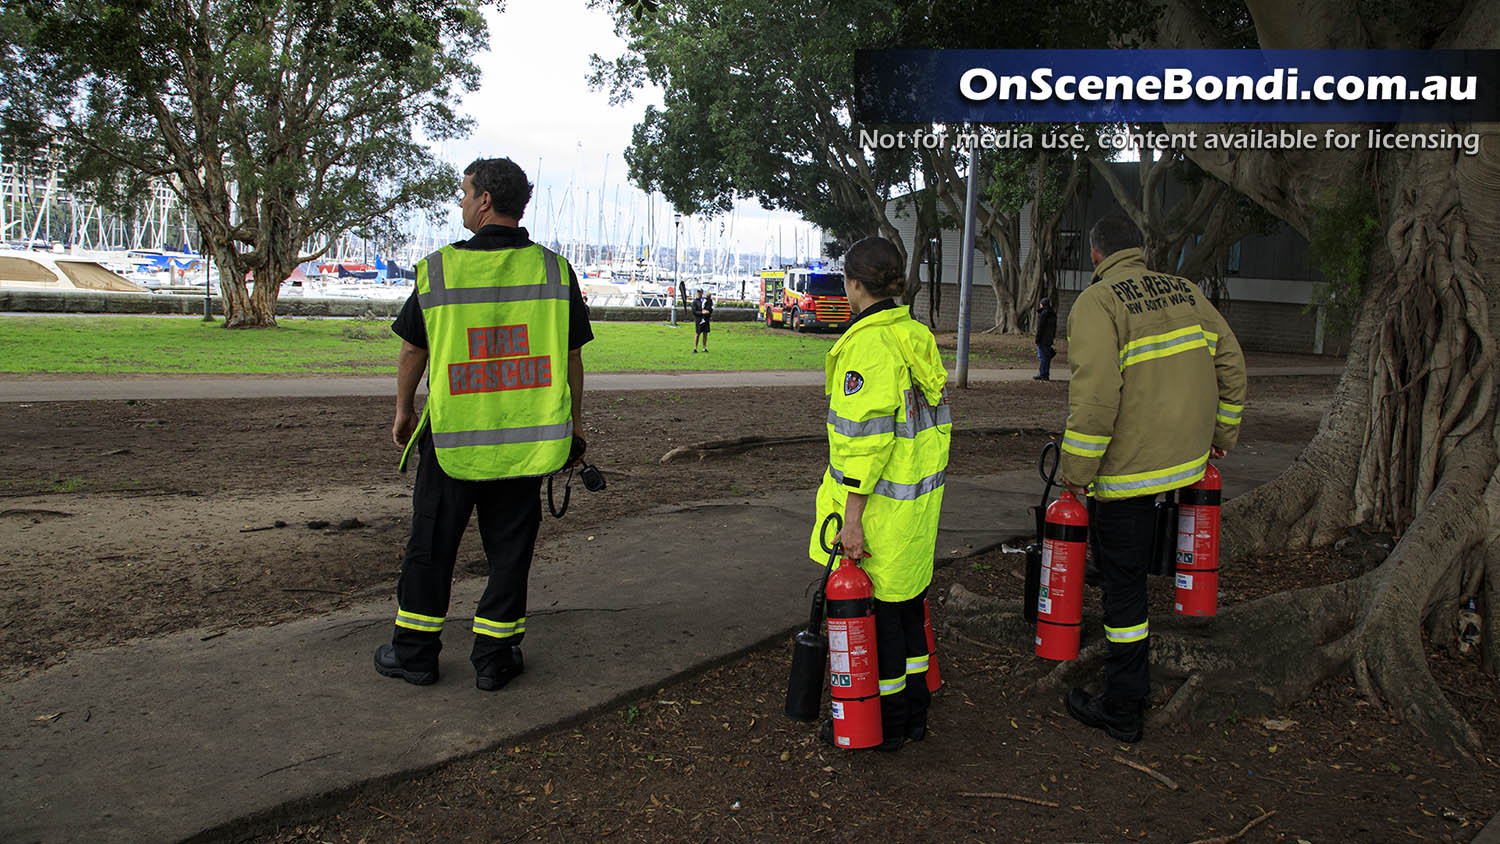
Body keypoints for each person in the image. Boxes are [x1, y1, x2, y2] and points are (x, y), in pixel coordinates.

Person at [376, 157, 594, 691]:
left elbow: (413, 349)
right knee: (510, 553)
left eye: (464, 193)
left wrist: (404, 410)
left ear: (485, 201)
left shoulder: (441, 269)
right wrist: (574, 427)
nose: (461, 203)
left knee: (430, 546)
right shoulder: (553, 270)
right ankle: (494, 659)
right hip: (528, 442)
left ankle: (416, 655)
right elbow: (571, 360)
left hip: (453, 438)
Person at [1059, 214, 1246, 742]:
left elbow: (1094, 399)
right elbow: (1231, 363)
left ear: (1096, 256)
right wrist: (1222, 436)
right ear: (1139, 251)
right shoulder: (1186, 292)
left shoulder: (1097, 303)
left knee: (1125, 591)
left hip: (1129, 474)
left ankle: (1123, 704)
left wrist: (1075, 475)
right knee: (1131, 568)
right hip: (1185, 464)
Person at [808, 236, 952, 751]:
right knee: (910, 612)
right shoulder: (915, 335)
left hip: (878, 514)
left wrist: (851, 518)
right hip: (916, 509)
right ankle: (914, 714)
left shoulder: (868, 345)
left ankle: (887, 723)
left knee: (883, 624)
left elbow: (863, 445)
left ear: (853, 284)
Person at [1034, 296, 1057, 380]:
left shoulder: (1043, 314)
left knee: (1044, 357)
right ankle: (1044, 373)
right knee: (1046, 357)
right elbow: (1054, 328)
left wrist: (1037, 339)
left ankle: (1043, 374)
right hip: (1049, 339)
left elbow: (1040, 328)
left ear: (1042, 305)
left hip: (1043, 339)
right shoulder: (1053, 314)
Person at [692, 288, 713, 352]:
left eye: (700, 292)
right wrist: (701, 312)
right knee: (697, 333)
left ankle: (704, 347)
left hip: (705, 319)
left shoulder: (706, 300)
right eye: (698, 292)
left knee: (705, 333)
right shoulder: (695, 301)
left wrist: (708, 312)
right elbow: (694, 311)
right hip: (699, 319)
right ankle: (695, 348)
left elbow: (710, 308)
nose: (699, 293)